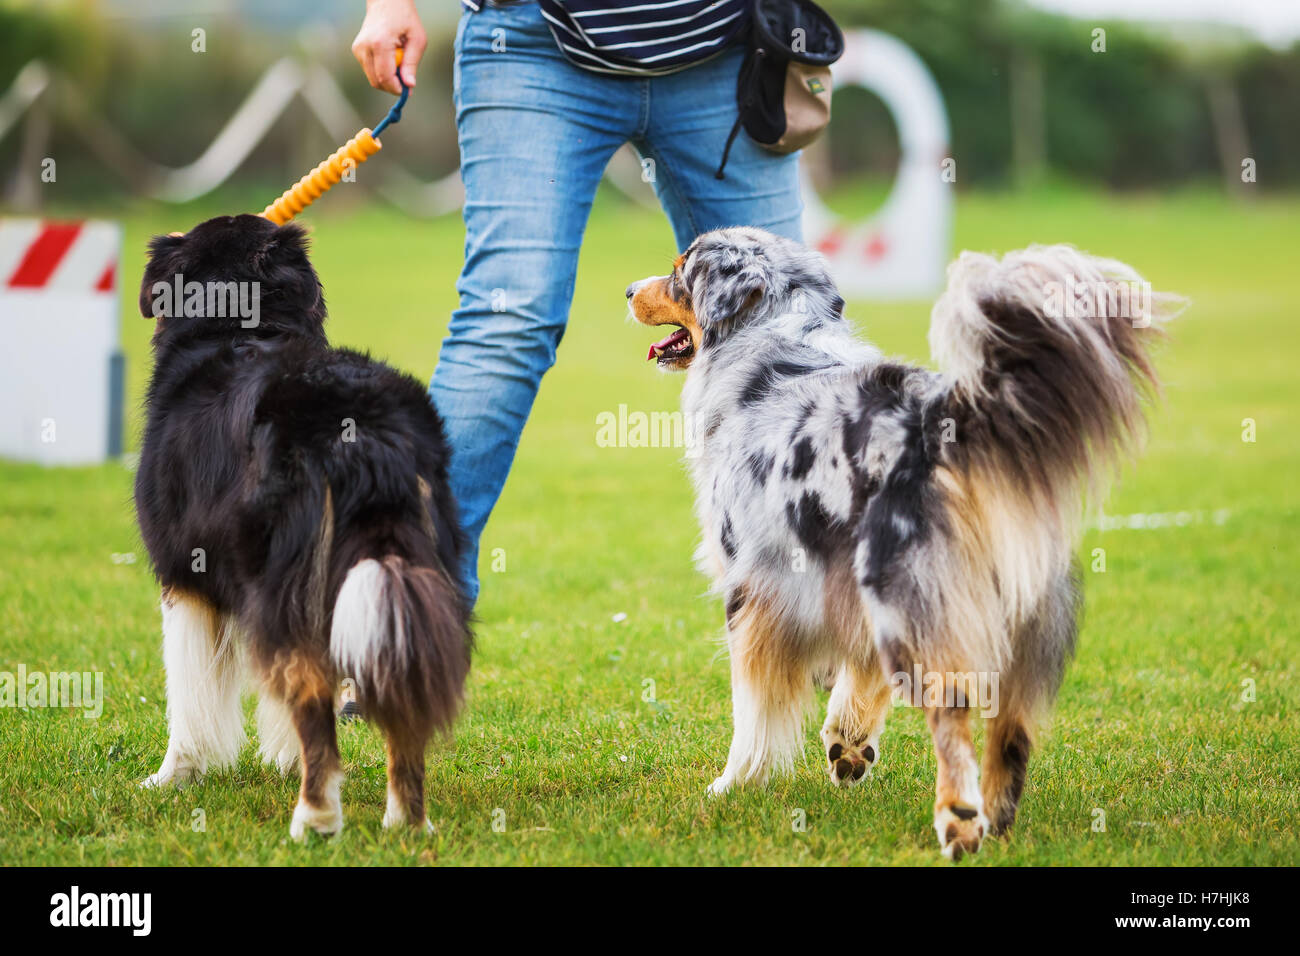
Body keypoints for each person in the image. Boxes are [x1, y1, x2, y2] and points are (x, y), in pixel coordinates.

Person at [352, 0, 803, 604]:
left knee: (788, 320)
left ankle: (823, 611)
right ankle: (401, 616)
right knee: (507, 321)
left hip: (722, 47)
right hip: (531, 39)